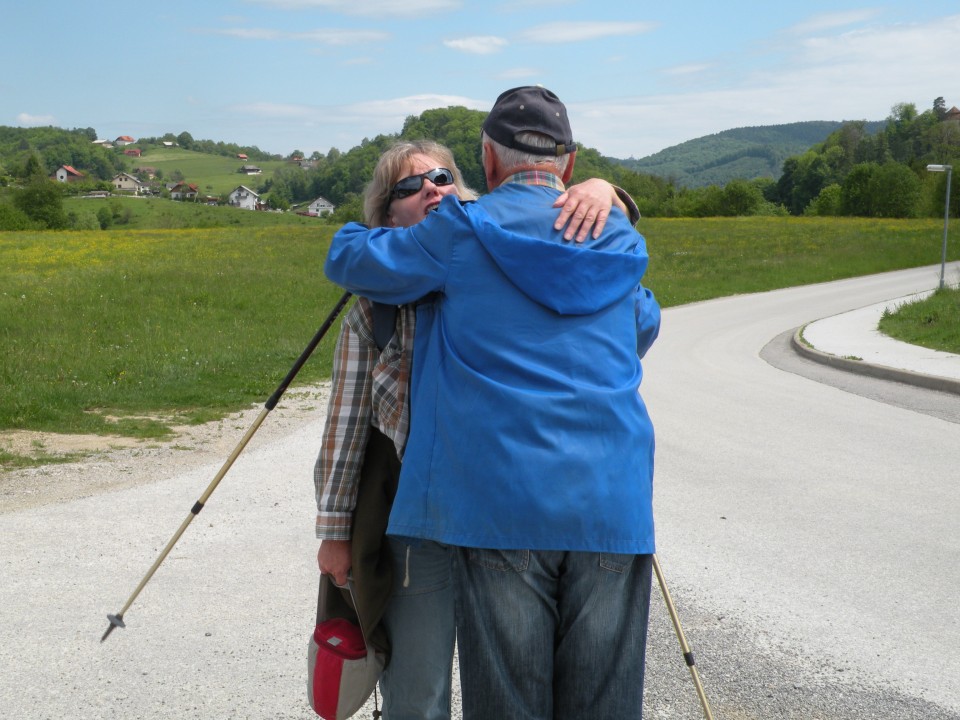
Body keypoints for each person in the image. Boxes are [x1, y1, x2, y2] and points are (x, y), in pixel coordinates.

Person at [324, 86, 660, 720]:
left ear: (487, 158)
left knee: (509, 702)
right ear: (568, 160)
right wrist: (610, 193)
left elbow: (348, 257)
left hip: (504, 507)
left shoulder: (462, 232)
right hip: (614, 505)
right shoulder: (617, 237)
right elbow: (642, 326)